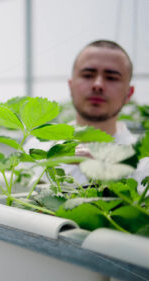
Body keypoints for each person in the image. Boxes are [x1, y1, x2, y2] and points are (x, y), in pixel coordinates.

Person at [25, 39, 147, 188]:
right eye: (88, 75)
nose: (98, 85)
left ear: (129, 93)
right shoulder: (38, 148)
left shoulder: (143, 162)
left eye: (111, 78)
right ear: (70, 86)